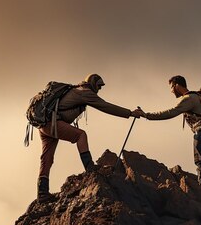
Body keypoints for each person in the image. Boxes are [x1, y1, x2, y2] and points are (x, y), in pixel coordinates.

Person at [36, 73, 141, 202]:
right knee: (81, 135)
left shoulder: (76, 90)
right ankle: (89, 168)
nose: (99, 89)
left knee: (47, 158)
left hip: (44, 124)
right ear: (92, 83)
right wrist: (130, 113)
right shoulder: (86, 92)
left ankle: (42, 193)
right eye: (99, 86)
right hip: (52, 123)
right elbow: (106, 106)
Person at [142, 75, 201, 188]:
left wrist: (146, 115)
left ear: (177, 85)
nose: (171, 91)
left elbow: (171, 113)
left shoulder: (188, 98)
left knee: (200, 159)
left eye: (172, 87)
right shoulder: (196, 96)